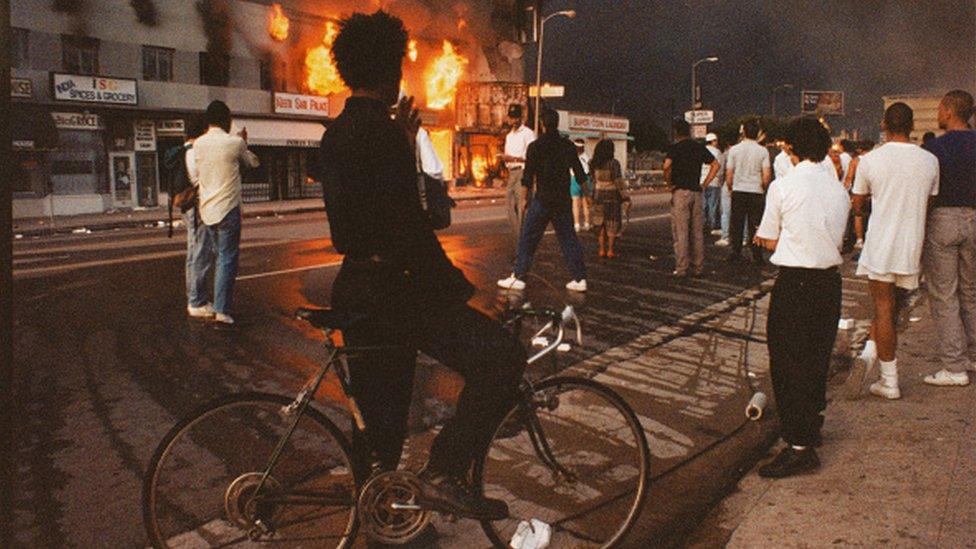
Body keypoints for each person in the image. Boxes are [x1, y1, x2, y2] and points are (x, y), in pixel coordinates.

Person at [318, 10, 524, 520]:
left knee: (379, 426)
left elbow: (354, 224)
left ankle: (380, 524)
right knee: (500, 358)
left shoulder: (335, 135)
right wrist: (465, 292)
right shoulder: (386, 135)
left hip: (358, 289)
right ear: (390, 70)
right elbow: (411, 228)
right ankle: (445, 471)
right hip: (396, 293)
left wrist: (403, 145)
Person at [754, 116, 850, 478]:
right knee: (816, 358)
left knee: (788, 364)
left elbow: (769, 238)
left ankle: (799, 446)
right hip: (829, 283)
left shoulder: (784, 187)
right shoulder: (837, 189)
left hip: (795, 283)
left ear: (791, 148)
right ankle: (812, 426)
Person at [845, 102, 940, 400]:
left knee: (883, 310)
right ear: (912, 127)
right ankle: (874, 353)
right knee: (894, 308)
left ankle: (889, 381)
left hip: (882, 244)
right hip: (912, 244)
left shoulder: (870, 160)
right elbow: (930, 203)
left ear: (884, 124)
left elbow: (857, 205)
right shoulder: (929, 161)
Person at [498, 109, 589, 292]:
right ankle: (579, 279)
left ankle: (519, 277)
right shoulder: (568, 146)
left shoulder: (535, 147)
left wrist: (524, 201)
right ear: (556, 124)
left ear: (542, 125)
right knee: (569, 240)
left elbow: (527, 178)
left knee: (528, 239)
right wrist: (588, 196)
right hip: (562, 201)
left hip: (543, 200)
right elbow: (580, 175)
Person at [921, 90, 976, 387]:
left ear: (949, 112)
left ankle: (954, 367)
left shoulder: (934, 148)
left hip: (944, 220)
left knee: (944, 294)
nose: (938, 114)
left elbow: (927, 193)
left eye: (941, 109)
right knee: (970, 290)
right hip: (974, 218)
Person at [188, 100, 260, 325]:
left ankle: (202, 302)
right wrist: (245, 144)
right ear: (227, 120)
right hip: (228, 208)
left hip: (206, 209)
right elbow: (252, 164)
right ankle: (222, 310)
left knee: (213, 257)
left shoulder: (197, 144)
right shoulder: (235, 142)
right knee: (227, 259)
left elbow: (196, 175)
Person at [168, 115, 213, 319]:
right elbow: (203, 180)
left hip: (186, 207)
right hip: (196, 207)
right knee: (200, 254)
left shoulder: (182, 150)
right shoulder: (196, 153)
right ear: (203, 131)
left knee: (192, 253)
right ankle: (197, 302)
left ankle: (193, 296)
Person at [665, 119, 718, 277]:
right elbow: (716, 165)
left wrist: (669, 183)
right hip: (696, 192)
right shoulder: (698, 147)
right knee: (697, 232)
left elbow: (666, 166)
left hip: (680, 192)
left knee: (681, 232)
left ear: (675, 132)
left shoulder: (674, 148)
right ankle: (698, 267)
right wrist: (705, 184)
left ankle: (682, 268)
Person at [726, 119, 772, 264]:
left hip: (739, 190)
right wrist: (763, 187)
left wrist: (730, 187)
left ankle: (736, 252)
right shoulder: (763, 151)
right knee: (756, 224)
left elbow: (729, 174)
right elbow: (766, 175)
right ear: (757, 133)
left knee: (737, 223)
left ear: (743, 131)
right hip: (756, 191)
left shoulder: (734, 150)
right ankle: (757, 254)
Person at [500, 104, 536, 244]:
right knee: (510, 209)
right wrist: (505, 159)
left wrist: (513, 158)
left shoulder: (528, 134)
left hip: (523, 172)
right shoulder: (509, 136)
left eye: (516, 117)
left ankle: (523, 245)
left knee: (522, 209)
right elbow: (508, 157)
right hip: (512, 173)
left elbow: (532, 158)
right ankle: (520, 241)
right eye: (512, 117)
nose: (514, 121)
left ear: (521, 117)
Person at [589, 139, 627, 259]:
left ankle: (601, 249)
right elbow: (618, 181)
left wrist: (591, 195)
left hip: (598, 195)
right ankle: (610, 250)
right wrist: (625, 197)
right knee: (612, 222)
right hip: (612, 197)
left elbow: (592, 181)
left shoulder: (593, 163)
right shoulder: (614, 163)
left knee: (600, 223)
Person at [701, 132, 725, 235]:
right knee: (713, 205)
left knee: (703, 205)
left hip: (702, 181)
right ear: (713, 141)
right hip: (714, 182)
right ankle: (713, 225)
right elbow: (720, 168)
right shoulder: (718, 152)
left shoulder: (701, 151)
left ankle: (702, 224)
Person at [570, 138, 591, 232]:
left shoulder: (572, 157)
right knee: (585, 202)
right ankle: (587, 223)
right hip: (586, 179)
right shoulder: (586, 157)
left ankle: (576, 224)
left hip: (574, 179)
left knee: (575, 203)